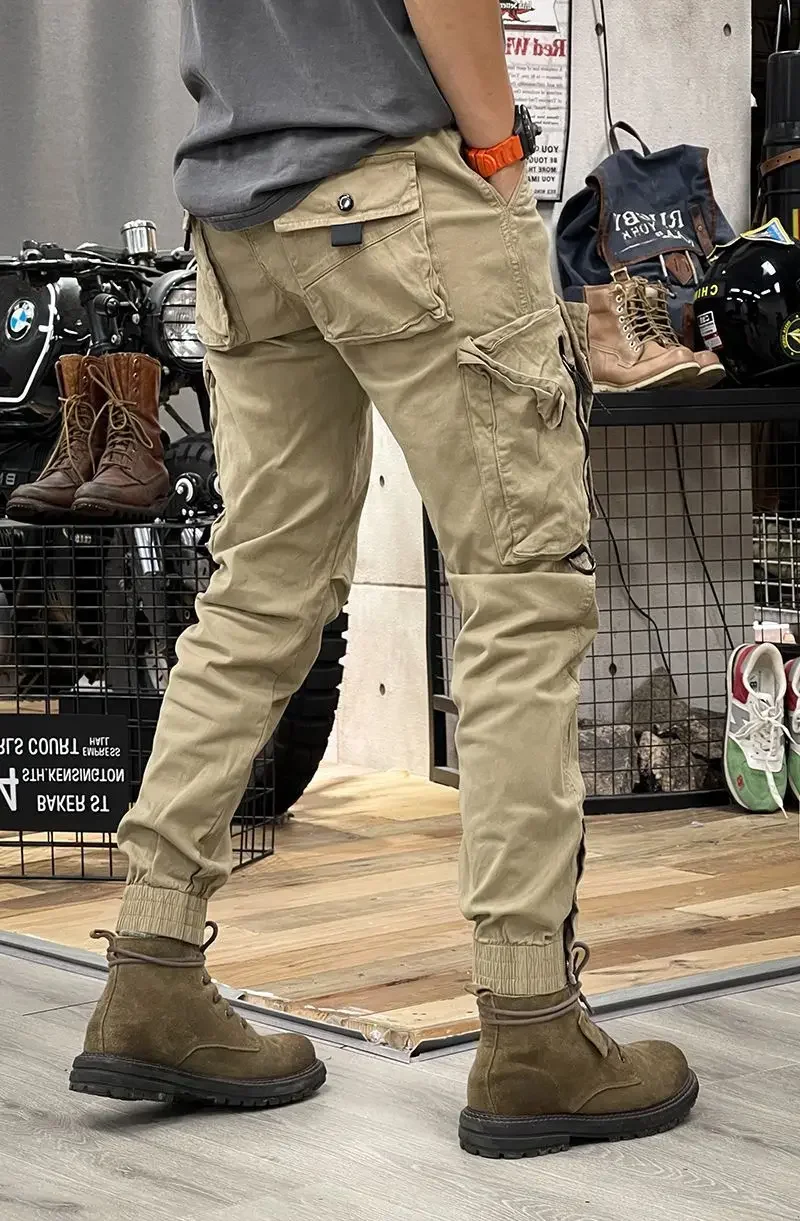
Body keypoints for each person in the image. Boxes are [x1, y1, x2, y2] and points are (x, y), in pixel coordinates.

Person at [70, 0, 698, 1157]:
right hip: (397, 185)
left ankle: (150, 965)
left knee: (255, 593)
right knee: (519, 592)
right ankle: (532, 1028)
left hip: (239, 215)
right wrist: (497, 153)